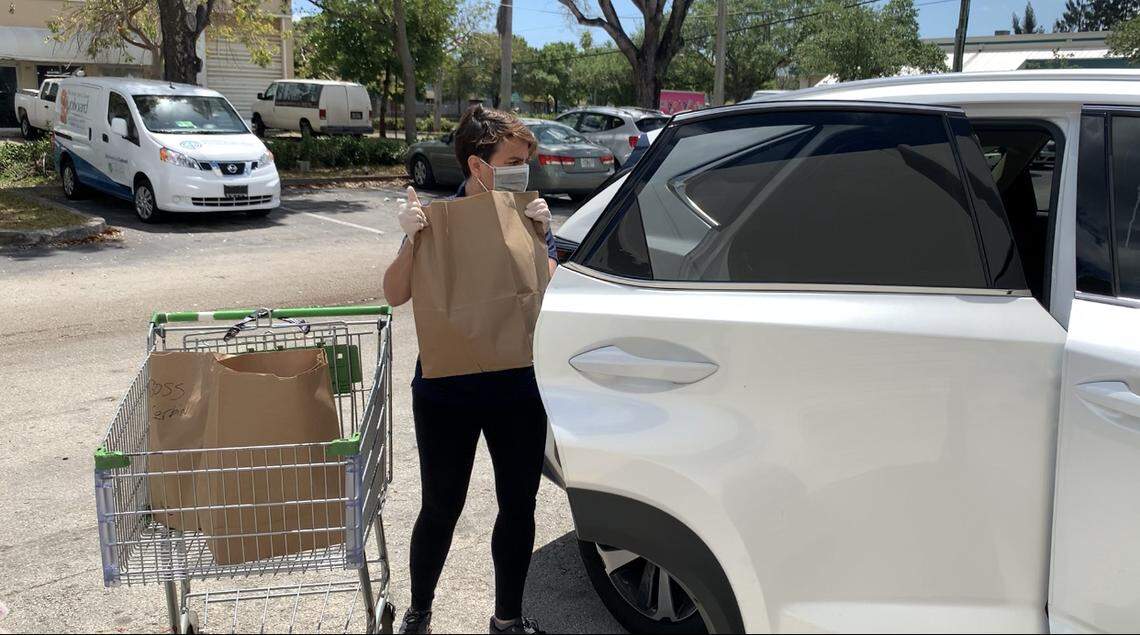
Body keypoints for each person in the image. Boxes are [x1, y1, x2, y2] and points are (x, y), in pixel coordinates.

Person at [382, 104, 555, 635]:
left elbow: (548, 290)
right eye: (513, 159)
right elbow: (394, 294)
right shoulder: (435, 219)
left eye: (526, 160)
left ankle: (507, 618)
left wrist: (544, 238)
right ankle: (420, 611)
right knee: (440, 505)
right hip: (446, 388)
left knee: (518, 504)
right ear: (478, 165)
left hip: (517, 384)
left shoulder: (526, 214)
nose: (523, 169)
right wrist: (411, 239)